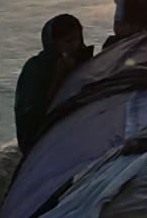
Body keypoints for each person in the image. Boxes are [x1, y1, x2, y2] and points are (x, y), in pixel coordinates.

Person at [14, 14, 92, 154]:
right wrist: (59, 77)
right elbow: (32, 116)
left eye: (78, 39)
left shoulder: (83, 60)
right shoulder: (36, 69)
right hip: (39, 136)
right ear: (54, 44)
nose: (76, 45)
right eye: (68, 41)